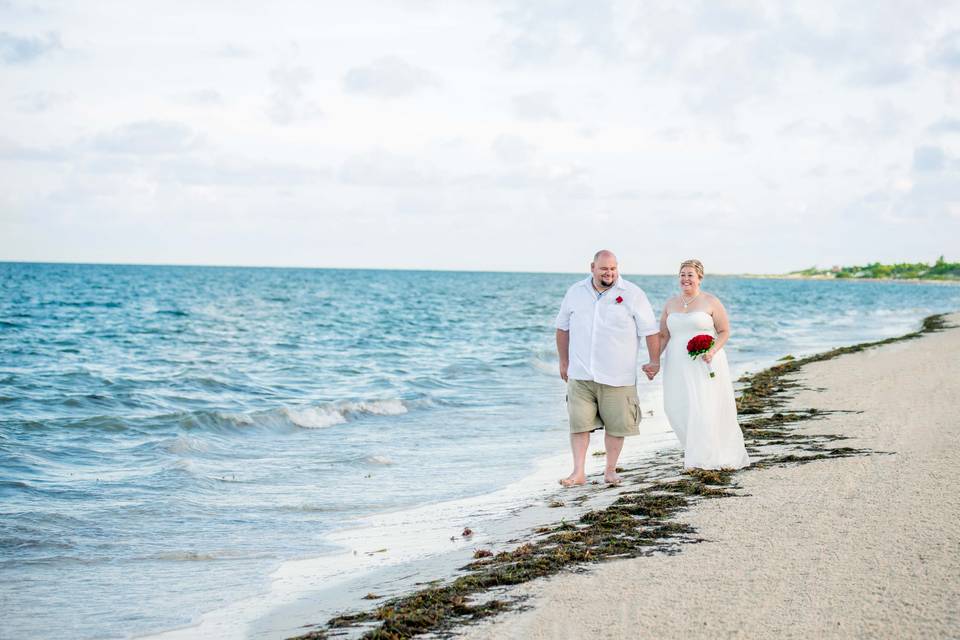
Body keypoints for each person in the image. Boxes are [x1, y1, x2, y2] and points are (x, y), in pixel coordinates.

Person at [555, 250, 660, 487]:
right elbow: (562, 328)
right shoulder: (575, 292)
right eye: (604, 268)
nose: (609, 273)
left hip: (617, 375)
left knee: (616, 425)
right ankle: (578, 472)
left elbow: (650, 331)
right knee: (579, 424)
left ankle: (610, 470)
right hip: (581, 374)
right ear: (592, 267)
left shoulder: (633, 294)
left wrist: (654, 361)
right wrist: (564, 361)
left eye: (613, 268)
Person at [650, 259, 750, 470]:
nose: (685, 279)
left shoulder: (711, 301)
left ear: (699, 278)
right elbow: (663, 336)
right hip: (676, 364)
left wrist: (712, 350)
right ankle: (694, 449)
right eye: (682, 275)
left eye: (690, 275)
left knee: (704, 408)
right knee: (676, 407)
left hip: (705, 362)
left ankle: (706, 457)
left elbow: (724, 331)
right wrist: (654, 361)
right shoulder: (670, 304)